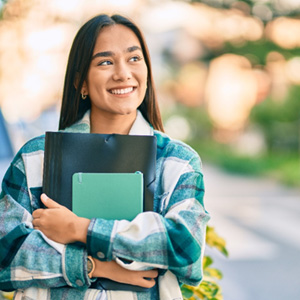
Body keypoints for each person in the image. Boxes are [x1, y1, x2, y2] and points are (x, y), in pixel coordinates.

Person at [0, 14, 210, 300]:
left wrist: (80, 228)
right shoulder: (36, 158)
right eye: (105, 62)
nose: (123, 73)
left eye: (134, 59)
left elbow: (184, 248)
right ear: (81, 82)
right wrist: (95, 266)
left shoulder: (177, 162)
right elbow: (6, 257)